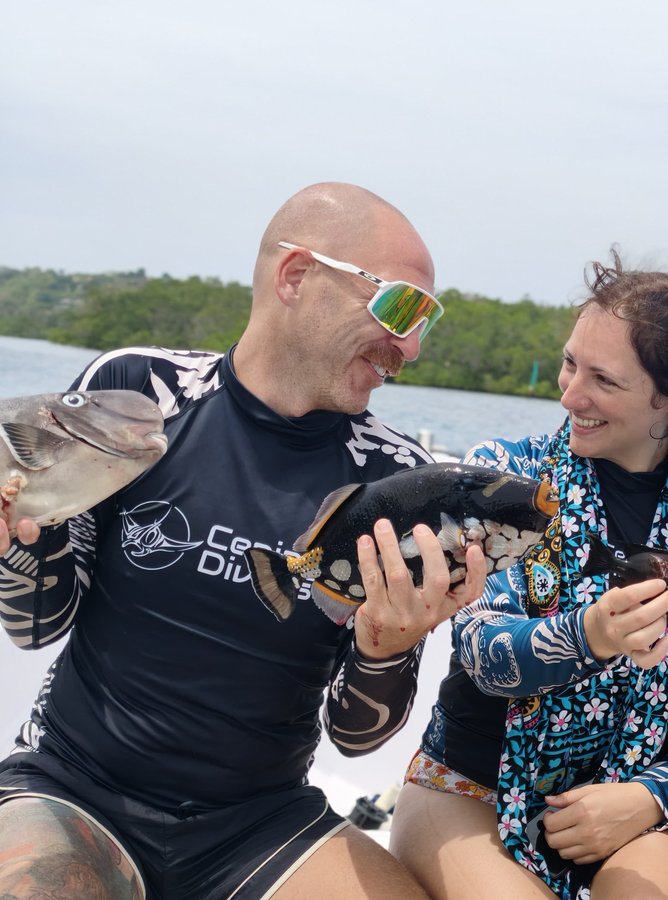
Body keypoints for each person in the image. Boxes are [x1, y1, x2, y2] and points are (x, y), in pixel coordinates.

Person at [0, 182, 488, 899]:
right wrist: (22, 536)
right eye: (399, 306)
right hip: (77, 786)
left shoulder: (399, 483)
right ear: (296, 276)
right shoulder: (139, 395)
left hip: (259, 822)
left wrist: (387, 650)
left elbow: (354, 742)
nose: (410, 345)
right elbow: (36, 625)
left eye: (426, 322)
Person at [387, 255, 668, 900]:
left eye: (603, 380)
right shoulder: (502, 477)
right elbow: (480, 653)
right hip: (470, 786)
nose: (570, 394)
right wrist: (593, 633)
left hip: (640, 802)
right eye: (570, 363)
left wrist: (649, 796)